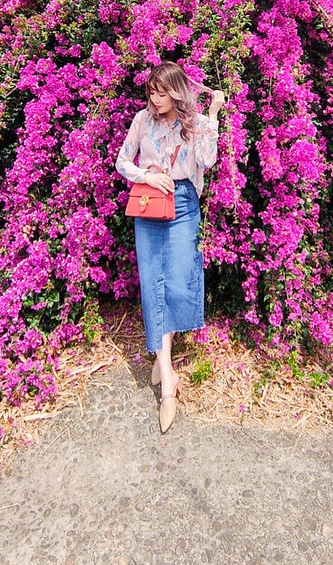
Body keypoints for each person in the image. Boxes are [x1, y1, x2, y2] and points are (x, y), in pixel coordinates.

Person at [116, 61, 225, 433]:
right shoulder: (141, 121)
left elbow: (207, 161)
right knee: (152, 284)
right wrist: (147, 174)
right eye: (152, 92)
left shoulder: (193, 123)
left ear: (178, 92)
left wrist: (211, 115)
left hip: (182, 206)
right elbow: (121, 162)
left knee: (177, 282)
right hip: (149, 203)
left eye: (163, 93)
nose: (156, 100)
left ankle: (162, 357)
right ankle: (168, 383)